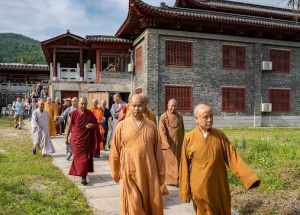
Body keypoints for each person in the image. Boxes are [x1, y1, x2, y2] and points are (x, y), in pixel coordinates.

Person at [179, 104, 260, 215]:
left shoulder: (220, 136)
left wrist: (249, 178)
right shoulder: (189, 138)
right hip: (199, 188)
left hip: (219, 186)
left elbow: (233, 158)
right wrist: (185, 190)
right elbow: (184, 167)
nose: (210, 120)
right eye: (205, 117)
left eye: (211, 116)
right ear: (196, 119)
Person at [109, 94, 167, 215]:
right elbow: (115, 151)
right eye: (134, 106)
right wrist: (116, 171)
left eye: (139, 106)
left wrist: (161, 174)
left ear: (145, 106)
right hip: (129, 172)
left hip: (148, 173)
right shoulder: (122, 126)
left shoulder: (151, 126)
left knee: (149, 203)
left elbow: (158, 153)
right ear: (129, 106)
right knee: (133, 204)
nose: (136, 109)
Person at [68, 97, 100, 185]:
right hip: (77, 140)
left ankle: (84, 177)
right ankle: (81, 173)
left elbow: (96, 124)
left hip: (86, 140)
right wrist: (67, 137)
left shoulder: (90, 114)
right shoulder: (73, 113)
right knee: (78, 159)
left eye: (85, 104)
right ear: (78, 104)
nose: (83, 105)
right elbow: (70, 126)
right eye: (82, 103)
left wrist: (92, 125)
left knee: (85, 159)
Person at [159, 98, 185, 186]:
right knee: (169, 163)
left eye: (175, 106)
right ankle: (169, 180)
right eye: (171, 106)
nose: (173, 108)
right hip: (169, 144)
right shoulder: (163, 117)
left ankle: (178, 178)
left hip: (179, 143)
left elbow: (182, 130)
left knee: (178, 161)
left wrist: (184, 141)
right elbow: (162, 131)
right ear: (168, 106)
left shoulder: (179, 116)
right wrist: (165, 143)